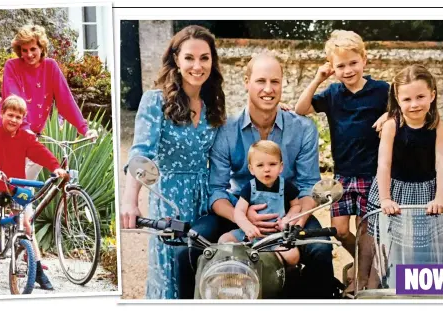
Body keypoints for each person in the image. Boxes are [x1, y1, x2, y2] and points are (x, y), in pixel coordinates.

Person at [176, 53, 337, 299]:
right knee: (188, 249)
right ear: (246, 81)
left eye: (275, 82)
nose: (268, 89)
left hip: (287, 214)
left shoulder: (303, 129)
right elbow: (216, 191)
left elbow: (308, 187)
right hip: (236, 211)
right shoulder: (226, 129)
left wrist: (294, 220)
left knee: (320, 250)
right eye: (261, 81)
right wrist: (242, 217)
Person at [120, 25, 227, 299]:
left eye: (204, 58)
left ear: (212, 62)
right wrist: (130, 201)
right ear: (177, 60)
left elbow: (225, 149)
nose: (197, 65)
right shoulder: (155, 100)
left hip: (204, 200)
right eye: (190, 57)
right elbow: (141, 153)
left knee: (204, 273)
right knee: (170, 276)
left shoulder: (212, 103)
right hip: (169, 199)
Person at [0, 24, 98, 288]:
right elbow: (12, 99)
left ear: (42, 48)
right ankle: (5, 244)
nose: (28, 54)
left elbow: (66, 100)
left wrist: (84, 128)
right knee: (16, 196)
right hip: (12, 135)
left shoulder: (50, 68)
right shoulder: (11, 67)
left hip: (33, 140)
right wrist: (25, 131)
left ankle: (26, 247)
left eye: (33, 49)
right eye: (24, 50)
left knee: (28, 200)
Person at [293, 30, 389, 289]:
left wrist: (389, 116)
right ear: (333, 68)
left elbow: (400, 110)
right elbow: (301, 109)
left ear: (364, 60)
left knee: (366, 230)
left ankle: (362, 279)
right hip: (343, 176)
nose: (348, 70)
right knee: (340, 230)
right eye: (341, 66)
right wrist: (318, 78)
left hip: (371, 174)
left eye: (353, 63)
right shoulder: (333, 93)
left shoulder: (381, 91)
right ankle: (360, 263)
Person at [364, 64, 443, 288]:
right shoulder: (392, 125)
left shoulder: (437, 125)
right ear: (398, 100)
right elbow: (384, 164)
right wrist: (385, 199)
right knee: (381, 243)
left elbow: (442, 161)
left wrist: (440, 196)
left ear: (432, 95)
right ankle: (369, 291)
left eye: (420, 97)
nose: (414, 104)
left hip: (428, 189)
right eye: (407, 99)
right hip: (394, 190)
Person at [0, 95, 68, 289]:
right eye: (10, 115)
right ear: (2, 114)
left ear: (23, 120)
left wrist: (54, 167)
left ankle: (38, 272)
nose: (14, 120)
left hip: (14, 188)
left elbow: (40, 151)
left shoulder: (26, 137)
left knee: (27, 227)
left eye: (18, 117)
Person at [218, 140, 302, 267]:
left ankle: (282, 272)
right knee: (224, 240)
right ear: (251, 169)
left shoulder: (286, 186)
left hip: (276, 236)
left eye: (272, 164)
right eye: (260, 165)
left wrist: (288, 219)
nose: (267, 169)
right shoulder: (249, 187)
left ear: (281, 167)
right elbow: (239, 211)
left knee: (293, 255)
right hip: (250, 234)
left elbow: (296, 205)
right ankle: (233, 269)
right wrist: (247, 227)